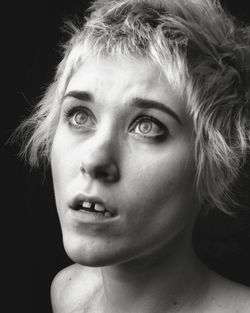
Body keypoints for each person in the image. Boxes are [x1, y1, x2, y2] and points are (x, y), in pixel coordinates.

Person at [17, 0, 250, 312]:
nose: (94, 161)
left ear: (219, 168)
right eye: (80, 116)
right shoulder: (67, 292)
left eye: (147, 125)